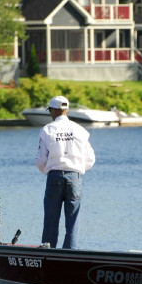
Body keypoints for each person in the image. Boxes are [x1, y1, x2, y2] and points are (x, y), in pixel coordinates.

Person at [35, 96, 96, 249]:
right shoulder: (81, 131)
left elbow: (41, 160)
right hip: (75, 177)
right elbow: (90, 159)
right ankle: (70, 253)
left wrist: (50, 171)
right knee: (73, 221)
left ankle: (47, 253)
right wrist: (76, 169)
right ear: (66, 110)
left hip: (54, 176)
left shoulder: (47, 129)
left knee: (51, 220)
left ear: (54, 110)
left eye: (50, 111)